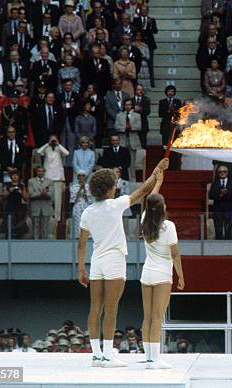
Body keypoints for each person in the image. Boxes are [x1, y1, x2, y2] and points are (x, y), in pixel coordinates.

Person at [77, 158, 169, 368]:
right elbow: (142, 192)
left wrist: (81, 268)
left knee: (95, 309)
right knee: (111, 308)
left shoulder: (87, 211)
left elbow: (81, 244)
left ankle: (97, 355)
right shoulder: (115, 205)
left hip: (96, 261)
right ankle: (108, 356)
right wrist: (156, 172)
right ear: (110, 188)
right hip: (114, 260)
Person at [140, 192, 184, 369]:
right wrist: (181, 275)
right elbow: (174, 254)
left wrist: (157, 179)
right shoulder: (169, 226)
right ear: (163, 207)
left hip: (147, 273)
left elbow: (150, 200)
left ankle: (149, 358)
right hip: (162, 275)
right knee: (158, 317)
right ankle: (154, 360)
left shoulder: (144, 220)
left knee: (148, 317)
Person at [37, 135, 69, 222]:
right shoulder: (47, 148)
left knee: (58, 199)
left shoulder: (59, 148)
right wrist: (48, 143)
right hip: (48, 177)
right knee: (48, 198)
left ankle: (57, 218)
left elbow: (67, 153)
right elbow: (39, 152)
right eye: (52, 140)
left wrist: (58, 144)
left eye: (54, 140)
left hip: (58, 177)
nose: (53, 142)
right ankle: (49, 216)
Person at [209, 165, 232, 240]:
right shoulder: (215, 183)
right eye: (220, 172)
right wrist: (220, 194)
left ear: (227, 172)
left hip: (229, 209)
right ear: (218, 173)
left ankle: (229, 248)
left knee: (228, 230)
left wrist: (227, 193)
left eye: (224, 171)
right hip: (218, 209)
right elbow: (211, 195)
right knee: (218, 230)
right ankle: (218, 248)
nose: (222, 173)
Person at [115, 99, 141, 182]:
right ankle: (121, 180)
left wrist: (131, 127)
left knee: (132, 163)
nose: (128, 106)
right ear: (124, 105)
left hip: (132, 141)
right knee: (121, 162)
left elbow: (139, 127)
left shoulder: (137, 115)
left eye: (129, 104)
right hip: (122, 140)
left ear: (132, 105)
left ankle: (133, 181)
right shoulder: (119, 115)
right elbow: (116, 127)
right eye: (126, 104)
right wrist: (124, 128)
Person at [28, 167, 54, 240]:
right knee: (35, 227)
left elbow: (51, 194)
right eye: (39, 171)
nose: (40, 173)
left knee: (45, 228)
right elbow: (31, 194)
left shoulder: (50, 181)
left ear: (44, 172)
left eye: (42, 171)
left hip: (46, 208)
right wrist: (41, 193)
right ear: (36, 172)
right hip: (35, 207)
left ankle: (44, 245)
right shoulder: (31, 181)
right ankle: (35, 244)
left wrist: (43, 194)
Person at [69, 171, 92, 239]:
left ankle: (88, 235)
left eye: (83, 176)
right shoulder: (73, 187)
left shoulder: (88, 187)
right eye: (80, 176)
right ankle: (78, 236)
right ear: (78, 177)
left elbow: (89, 198)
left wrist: (84, 188)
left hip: (86, 205)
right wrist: (80, 189)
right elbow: (73, 199)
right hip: (78, 205)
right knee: (78, 221)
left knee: (87, 220)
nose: (81, 177)